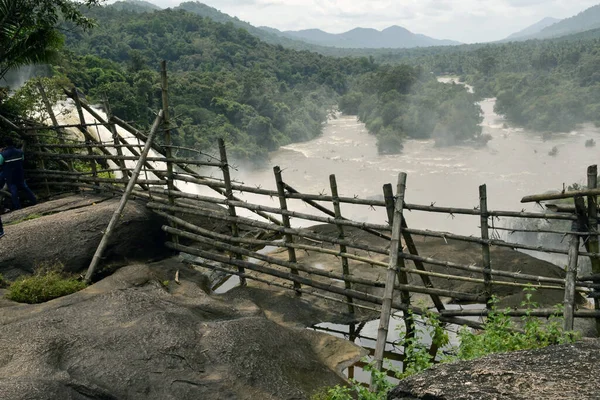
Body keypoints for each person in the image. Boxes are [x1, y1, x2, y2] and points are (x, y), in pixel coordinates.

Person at [0, 137, 37, 210]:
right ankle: (34, 200)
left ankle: (17, 207)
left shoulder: (3, 154)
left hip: (10, 176)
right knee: (25, 187)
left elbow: (0, 163)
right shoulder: (20, 152)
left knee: (13, 190)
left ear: (5, 145)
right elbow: (22, 160)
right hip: (19, 174)